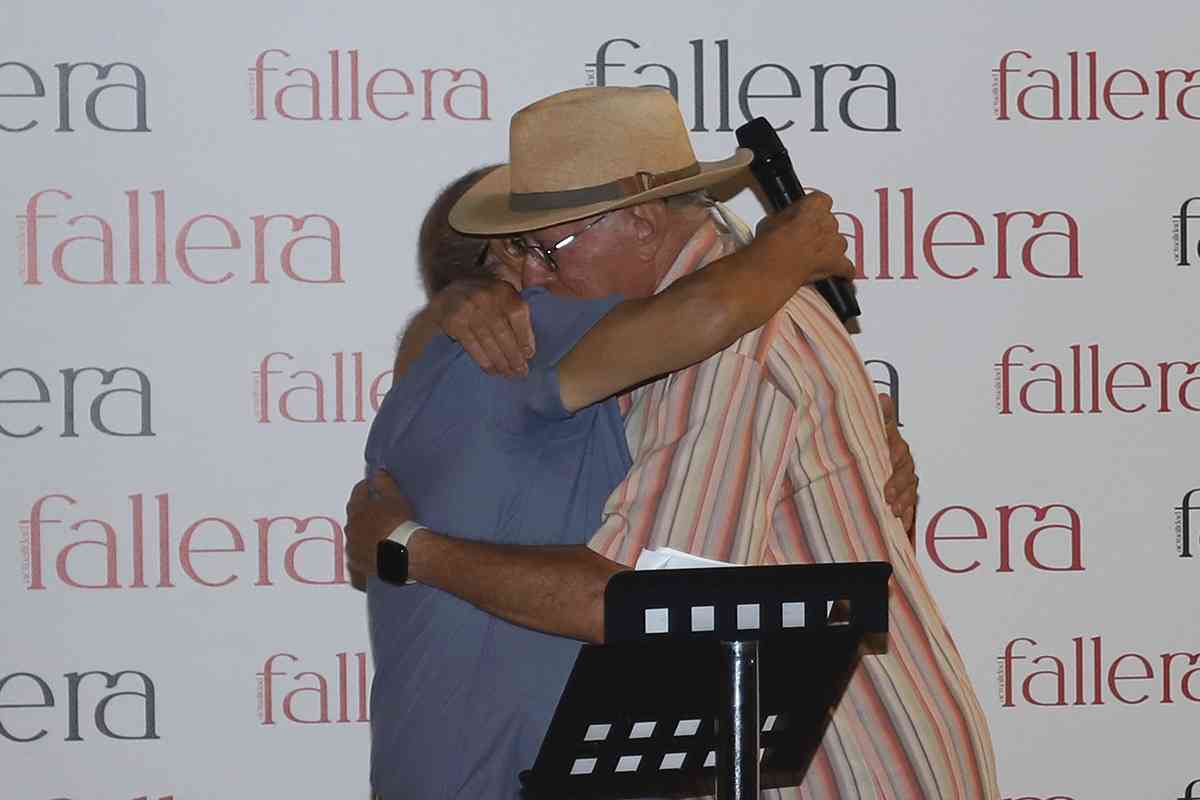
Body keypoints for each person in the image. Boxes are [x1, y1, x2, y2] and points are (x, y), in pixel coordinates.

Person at [350, 86, 998, 798]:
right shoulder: (662, 330)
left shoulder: (728, 350)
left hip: (845, 770)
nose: (530, 279)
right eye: (517, 254)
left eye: (544, 249)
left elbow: (645, 604)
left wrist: (409, 548)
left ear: (639, 219)